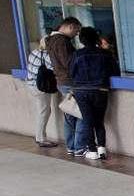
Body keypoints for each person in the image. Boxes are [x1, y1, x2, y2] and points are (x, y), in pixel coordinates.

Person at [69, 27, 120, 160]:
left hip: (81, 91)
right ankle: (102, 149)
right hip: (100, 90)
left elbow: (71, 72)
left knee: (87, 121)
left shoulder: (77, 54)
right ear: (96, 38)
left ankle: (92, 150)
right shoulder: (105, 54)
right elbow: (115, 71)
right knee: (99, 120)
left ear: (81, 39)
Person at [45, 17, 82, 155]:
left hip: (62, 81)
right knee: (78, 114)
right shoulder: (62, 41)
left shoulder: (51, 40)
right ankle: (78, 146)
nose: (76, 35)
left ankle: (71, 146)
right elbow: (69, 63)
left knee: (69, 115)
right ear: (70, 26)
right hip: (69, 81)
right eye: (76, 31)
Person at [25, 37, 58, 148]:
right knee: (44, 112)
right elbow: (54, 69)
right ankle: (41, 138)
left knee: (43, 111)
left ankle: (39, 136)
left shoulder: (33, 52)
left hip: (31, 85)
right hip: (40, 87)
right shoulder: (47, 56)